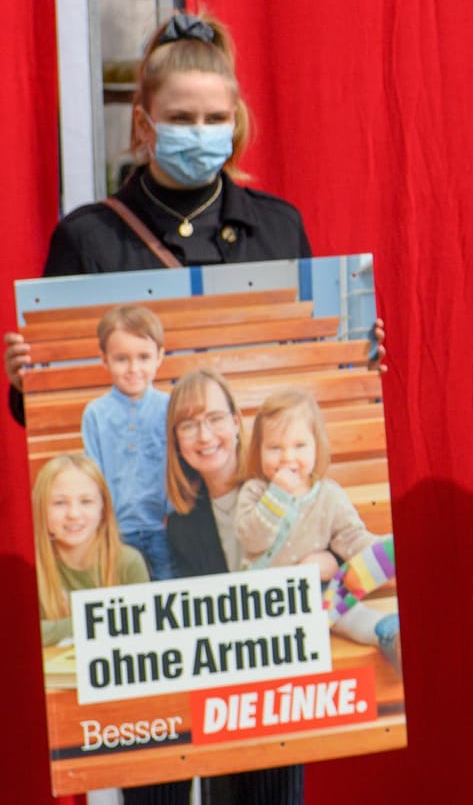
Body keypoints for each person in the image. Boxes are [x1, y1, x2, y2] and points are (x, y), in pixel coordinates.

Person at [5, 10, 311, 426]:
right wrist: (29, 383)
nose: (201, 132)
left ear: (234, 120)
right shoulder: (89, 238)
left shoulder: (279, 228)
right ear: (143, 124)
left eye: (216, 118)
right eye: (181, 119)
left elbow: (308, 372)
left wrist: (354, 354)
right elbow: (50, 416)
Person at [164, 368, 308, 801]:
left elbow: (336, 545)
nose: (204, 435)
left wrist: (323, 559)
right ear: (176, 442)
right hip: (222, 703)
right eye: (188, 425)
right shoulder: (181, 526)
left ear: (235, 422)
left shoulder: (283, 486)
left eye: (213, 418)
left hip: (283, 688)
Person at [237, 387, 401, 668]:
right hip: (264, 599)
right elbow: (253, 541)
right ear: (259, 451)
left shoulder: (329, 494)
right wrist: (277, 496)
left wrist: (378, 550)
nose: (288, 457)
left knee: (353, 614)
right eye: (275, 448)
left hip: (320, 593)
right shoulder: (254, 492)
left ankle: (392, 635)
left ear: (316, 447)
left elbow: (350, 537)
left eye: (299, 446)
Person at [79, 304, 174, 581]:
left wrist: (172, 515)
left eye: (144, 357)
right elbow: (92, 475)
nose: (134, 368)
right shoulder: (95, 414)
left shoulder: (170, 407)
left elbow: (176, 467)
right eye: (122, 359)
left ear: (159, 357)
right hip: (118, 534)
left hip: (163, 531)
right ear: (104, 360)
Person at [34, 453, 150, 646]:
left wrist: (60, 627)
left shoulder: (128, 562)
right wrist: (96, 620)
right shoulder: (30, 569)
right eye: (60, 503)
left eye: (86, 501)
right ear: (41, 509)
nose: (74, 514)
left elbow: (144, 628)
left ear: (102, 509)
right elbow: (20, 635)